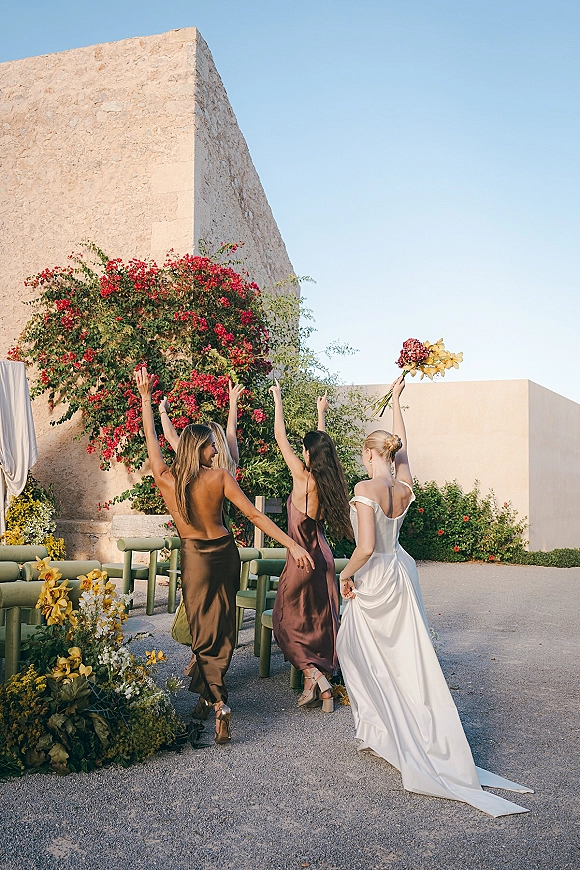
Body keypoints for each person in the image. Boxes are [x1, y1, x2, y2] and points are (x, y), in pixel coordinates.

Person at [336, 375, 533, 816]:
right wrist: (398, 402)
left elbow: (365, 547)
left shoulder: (365, 490)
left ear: (370, 454)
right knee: (411, 660)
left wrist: (344, 577)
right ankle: (386, 729)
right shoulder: (404, 488)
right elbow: (403, 449)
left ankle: (387, 731)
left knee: (358, 651)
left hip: (375, 575)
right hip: (401, 573)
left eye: (367, 454)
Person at [135, 367, 314, 744]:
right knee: (223, 625)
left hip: (196, 558)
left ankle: (216, 702)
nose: (217, 450)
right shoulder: (219, 479)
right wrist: (292, 544)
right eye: (211, 446)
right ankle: (210, 696)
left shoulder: (166, 479)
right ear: (198, 447)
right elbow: (253, 515)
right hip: (225, 553)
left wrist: (147, 399)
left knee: (203, 629)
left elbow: (152, 438)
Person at [270, 381, 353, 713]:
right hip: (324, 558)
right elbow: (322, 448)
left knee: (285, 621)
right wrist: (321, 415)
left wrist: (278, 398)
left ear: (306, 454)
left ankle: (314, 674)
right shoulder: (326, 480)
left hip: (300, 558)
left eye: (304, 450)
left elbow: (279, 437)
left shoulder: (301, 478)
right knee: (318, 620)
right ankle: (319, 689)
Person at [159, 379, 244, 475]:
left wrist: (163, 410)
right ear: (222, 441)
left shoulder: (193, 461)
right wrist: (233, 401)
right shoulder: (231, 462)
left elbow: (170, 435)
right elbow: (231, 430)